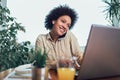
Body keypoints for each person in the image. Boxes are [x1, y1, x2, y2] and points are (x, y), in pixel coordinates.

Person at [35, 5, 83, 69]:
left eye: (68, 25)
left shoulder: (70, 36)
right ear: (53, 21)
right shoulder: (41, 39)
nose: (65, 27)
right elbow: (39, 63)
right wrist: (58, 63)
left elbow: (79, 57)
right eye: (63, 21)